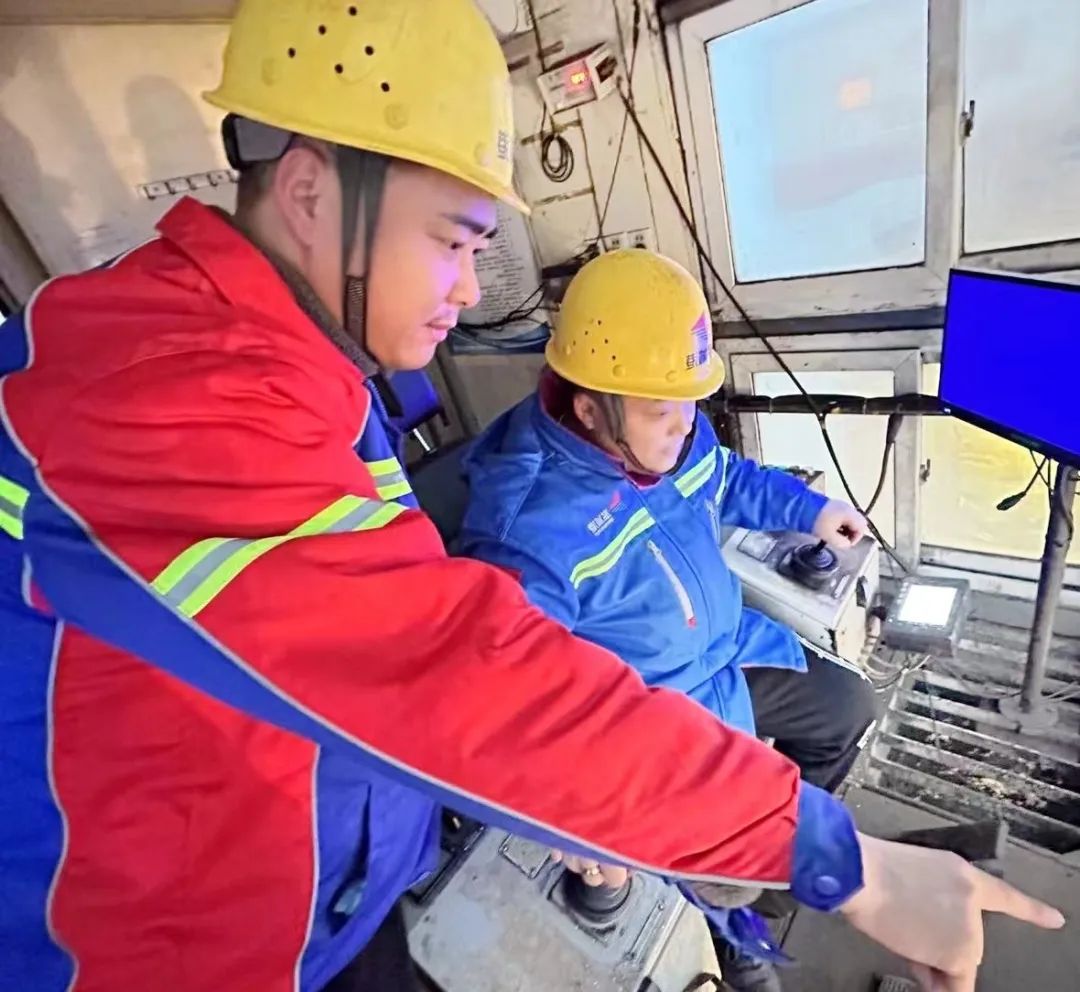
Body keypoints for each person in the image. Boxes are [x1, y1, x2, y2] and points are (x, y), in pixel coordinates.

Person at [0, 3, 1061, 992]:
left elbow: (385, 655)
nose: (471, 289)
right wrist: (845, 862)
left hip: (347, 882)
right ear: (314, 192)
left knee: (838, 709)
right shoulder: (167, 395)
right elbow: (475, 679)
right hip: (214, 948)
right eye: (454, 238)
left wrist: (795, 510)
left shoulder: (310, 373)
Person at [457, 248, 882, 988]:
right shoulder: (524, 531)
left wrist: (810, 509)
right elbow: (517, 703)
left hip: (731, 649)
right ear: (589, 408)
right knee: (727, 872)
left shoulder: (663, 426)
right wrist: (577, 813)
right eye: (664, 409)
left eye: (689, 404)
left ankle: (766, 860)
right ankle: (734, 933)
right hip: (659, 710)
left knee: (848, 707)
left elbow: (725, 478)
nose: (685, 427)